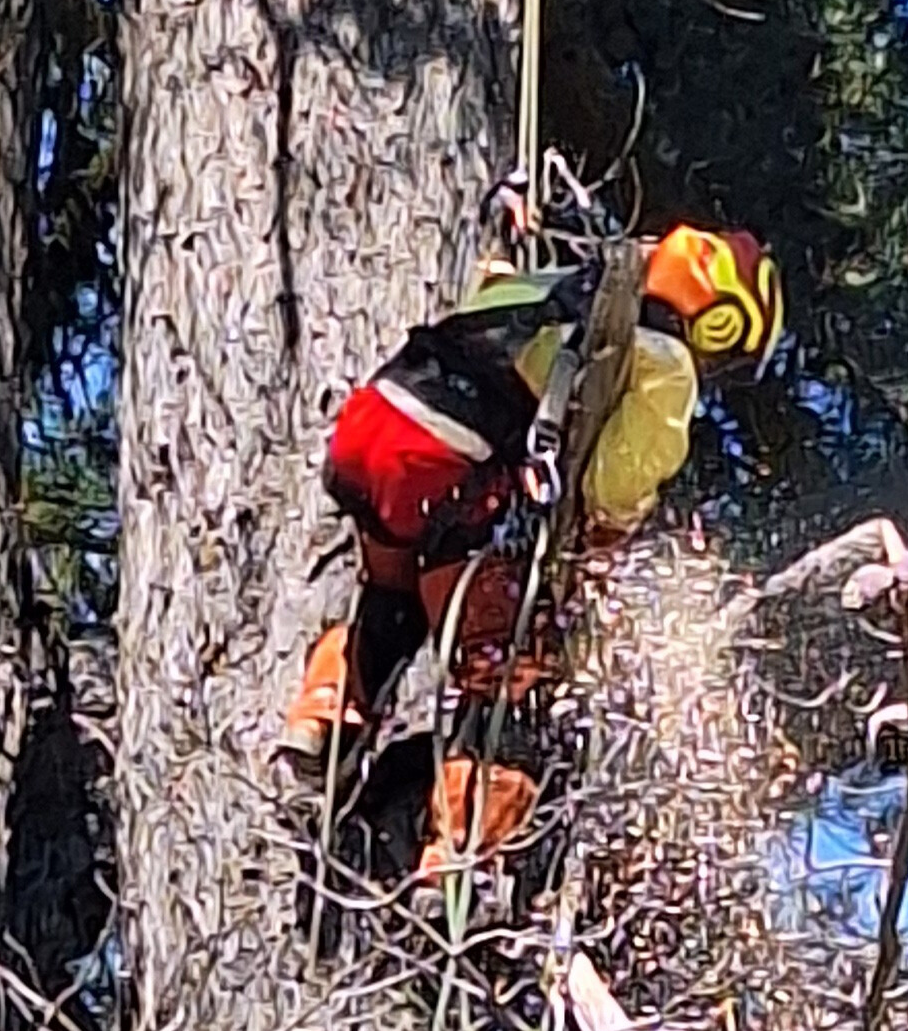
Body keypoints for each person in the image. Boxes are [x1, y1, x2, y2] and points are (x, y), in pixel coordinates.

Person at [276, 218, 785, 885]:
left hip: (373, 431)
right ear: (721, 320)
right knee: (510, 677)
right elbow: (614, 486)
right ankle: (456, 861)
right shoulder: (664, 356)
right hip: (454, 461)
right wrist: (605, 539)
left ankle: (321, 719)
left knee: (391, 602)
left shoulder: (557, 286)